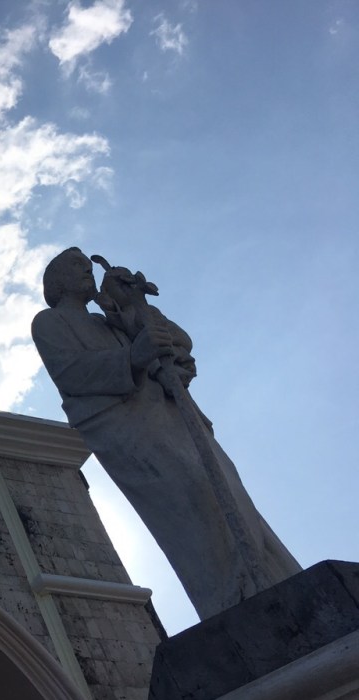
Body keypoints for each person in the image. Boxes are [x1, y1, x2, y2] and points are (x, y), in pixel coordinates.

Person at [32, 247, 300, 620]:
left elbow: (177, 345)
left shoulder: (112, 320)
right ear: (58, 281)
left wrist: (130, 305)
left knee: (230, 497)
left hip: (172, 418)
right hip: (131, 430)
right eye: (76, 269)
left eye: (87, 268)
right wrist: (132, 358)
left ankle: (276, 580)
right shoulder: (49, 322)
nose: (86, 274)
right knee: (193, 503)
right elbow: (72, 374)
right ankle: (235, 602)